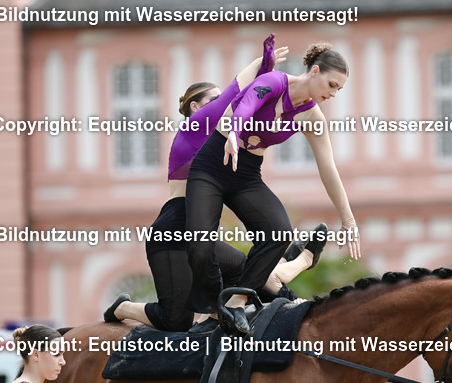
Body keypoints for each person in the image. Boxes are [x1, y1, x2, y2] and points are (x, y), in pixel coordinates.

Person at [105, 36, 327, 331]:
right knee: (176, 320)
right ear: (196, 107)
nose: (223, 103)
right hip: (172, 231)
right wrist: (262, 67)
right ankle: (123, 307)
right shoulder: (194, 127)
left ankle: (297, 267)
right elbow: (236, 94)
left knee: (254, 276)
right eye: (213, 99)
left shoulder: (219, 131)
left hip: (198, 236)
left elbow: (250, 102)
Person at [185, 42, 362, 330]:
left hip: (246, 175)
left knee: (279, 232)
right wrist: (233, 132)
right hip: (213, 164)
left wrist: (348, 219)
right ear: (314, 71)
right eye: (331, 84)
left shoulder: (312, 116)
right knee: (200, 245)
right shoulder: (274, 82)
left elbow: (328, 169)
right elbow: (247, 105)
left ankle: (237, 302)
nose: (332, 93)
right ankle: (210, 311)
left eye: (338, 90)